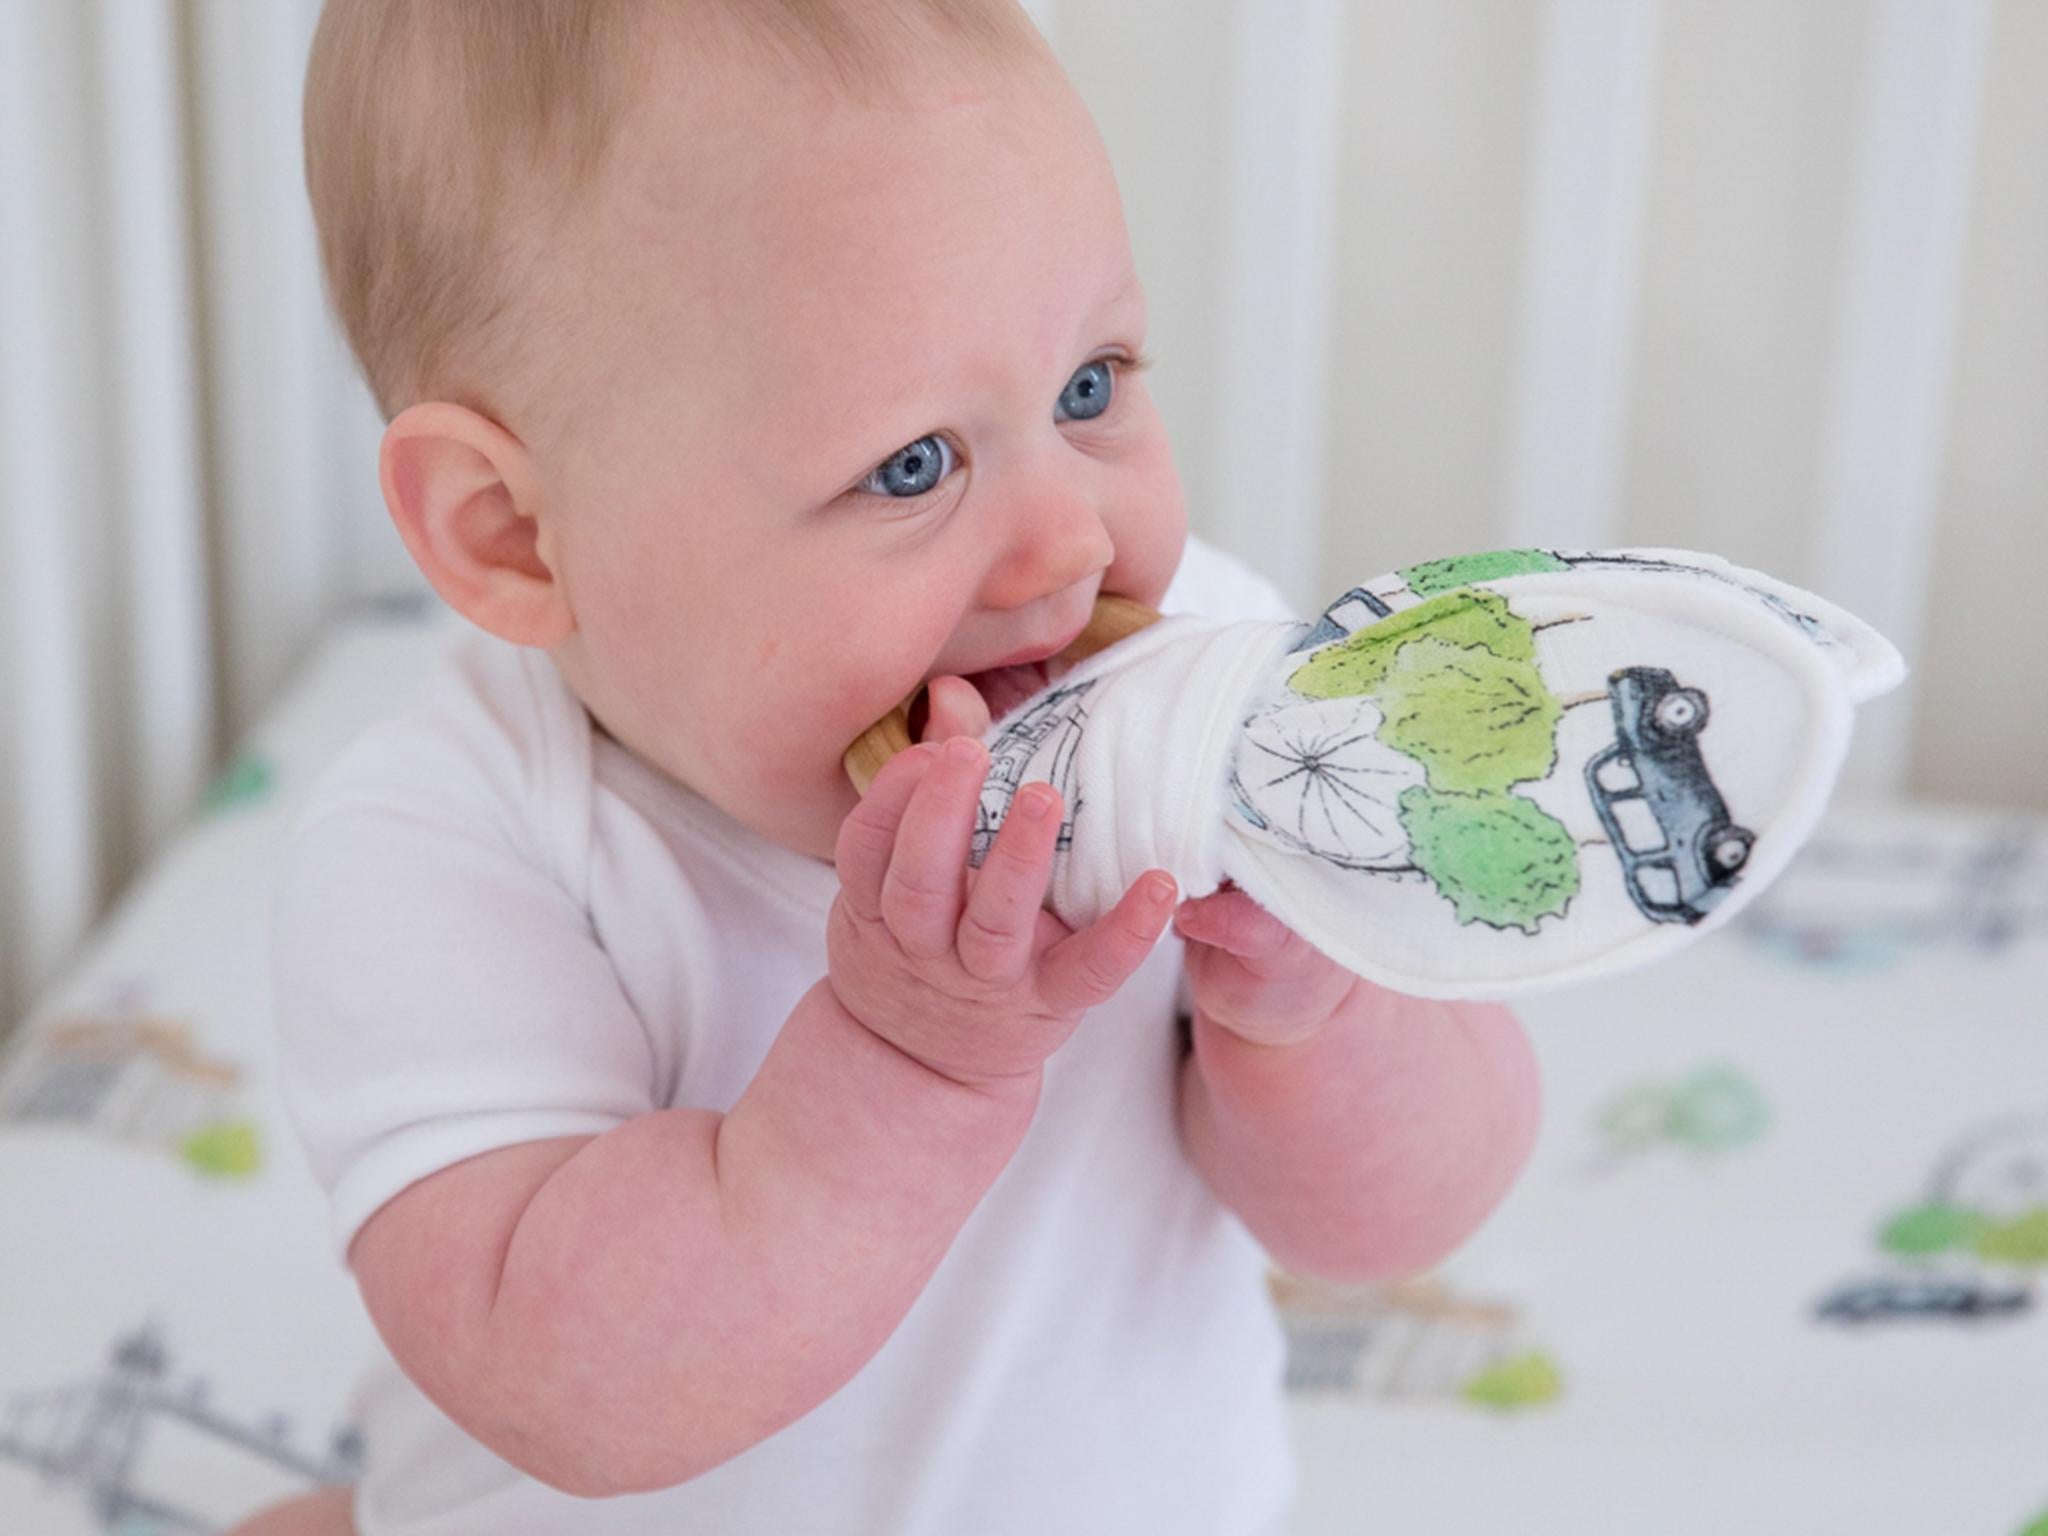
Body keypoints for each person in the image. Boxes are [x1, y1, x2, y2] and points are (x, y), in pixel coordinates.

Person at [235, 2, 1541, 1531]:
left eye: (1091, 386)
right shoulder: (452, 847)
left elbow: (1393, 1223)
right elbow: (563, 1391)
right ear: (511, 533)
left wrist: (1322, 1004)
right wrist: (909, 1064)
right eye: (912, 465)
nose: (1067, 541)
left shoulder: (1217, 692)